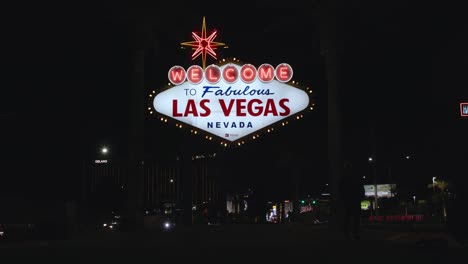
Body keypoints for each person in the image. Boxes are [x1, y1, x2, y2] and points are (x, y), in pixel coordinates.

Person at [339, 161, 365, 240]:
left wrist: (343, 198)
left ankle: (348, 233)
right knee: (355, 217)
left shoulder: (344, 178)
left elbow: (341, 190)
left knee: (348, 217)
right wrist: (361, 197)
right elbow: (361, 188)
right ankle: (355, 233)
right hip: (355, 199)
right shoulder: (355, 177)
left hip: (348, 200)